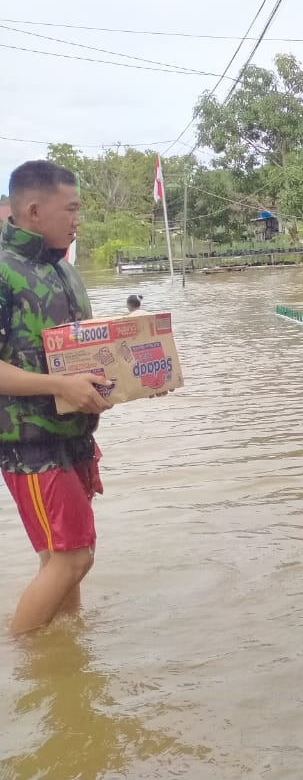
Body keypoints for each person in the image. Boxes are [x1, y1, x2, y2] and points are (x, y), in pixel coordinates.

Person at [0, 161, 113, 636]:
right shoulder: (5, 272)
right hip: (30, 444)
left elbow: (72, 351)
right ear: (32, 209)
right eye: (70, 208)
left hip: (72, 435)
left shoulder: (61, 269)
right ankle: (22, 663)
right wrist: (60, 387)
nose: (76, 219)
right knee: (74, 556)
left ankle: (63, 662)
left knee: (60, 559)